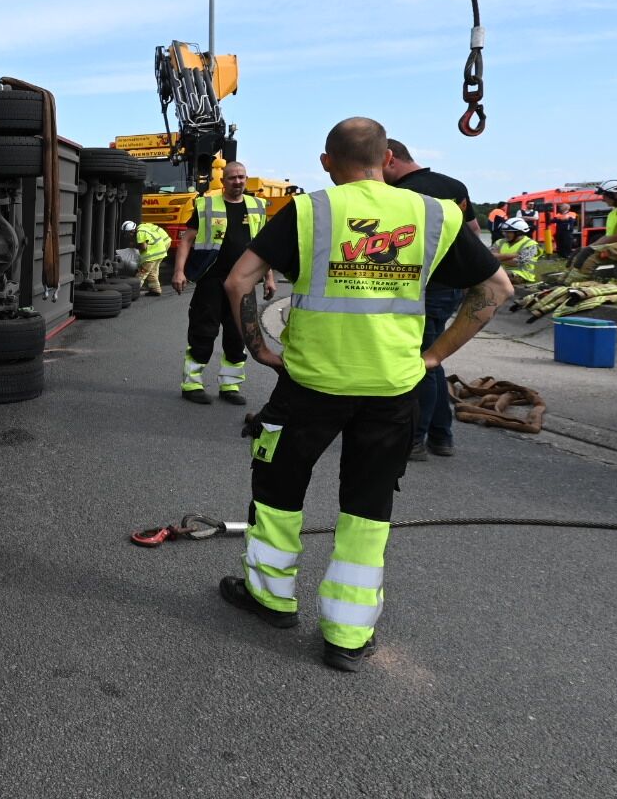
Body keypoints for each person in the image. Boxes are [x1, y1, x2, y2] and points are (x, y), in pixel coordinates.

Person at [218, 117, 511, 671]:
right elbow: (495, 289)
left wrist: (258, 348)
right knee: (368, 506)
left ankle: (270, 598)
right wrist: (434, 356)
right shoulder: (436, 214)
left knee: (278, 489)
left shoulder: (309, 210)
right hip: (392, 387)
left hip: (309, 384)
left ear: (326, 161)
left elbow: (238, 281)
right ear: (387, 159)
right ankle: (348, 635)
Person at [384, 139, 472, 460]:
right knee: (432, 358)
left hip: (425, 287)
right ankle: (440, 436)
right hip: (452, 285)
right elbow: (472, 233)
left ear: (390, 159)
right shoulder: (454, 186)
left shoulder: (402, 194)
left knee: (421, 363)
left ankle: (416, 438)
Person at [171, 162, 276, 406]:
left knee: (238, 334)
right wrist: (178, 271)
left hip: (243, 283)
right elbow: (186, 240)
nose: (237, 182)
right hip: (211, 280)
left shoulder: (258, 207)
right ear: (222, 181)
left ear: (246, 179)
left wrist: (268, 278)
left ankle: (230, 385)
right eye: (232, 178)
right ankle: (192, 384)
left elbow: (264, 248)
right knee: (203, 331)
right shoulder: (206, 205)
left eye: (241, 177)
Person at [123, 219, 171, 296]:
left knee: (142, 272)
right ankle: (155, 290)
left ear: (132, 231)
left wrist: (134, 246)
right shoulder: (142, 228)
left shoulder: (140, 233)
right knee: (152, 271)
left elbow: (143, 247)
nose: (127, 236)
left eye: (127, 233)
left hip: (152, 254)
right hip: (160, 252)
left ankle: (133, 292)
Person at [493, 217, 541, 286]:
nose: (504, 234)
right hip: (499, 270)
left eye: (508, 232)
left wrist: (496, 258)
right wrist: (513, 255)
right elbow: (489, 256)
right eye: (504, 231)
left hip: (521, 274)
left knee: (496, 275)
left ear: (519, 232)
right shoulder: (499, 242)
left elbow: (517, 262)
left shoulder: (531, 245)